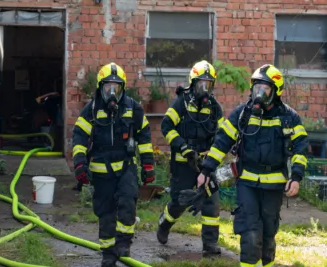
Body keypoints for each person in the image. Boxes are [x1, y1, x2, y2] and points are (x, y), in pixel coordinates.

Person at [197, 64, 309, 267]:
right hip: (247, 182)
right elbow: (222, 142)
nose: (260, 93)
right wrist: (206, 169)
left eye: (265, 89)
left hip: (274, 186)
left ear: (276, 92)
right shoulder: (242, 114)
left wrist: (296, 177)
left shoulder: (289, 118)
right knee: (250, 234)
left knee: (267, 237)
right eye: (257, 87)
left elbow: (301, 148)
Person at [72, 62, 155, 267]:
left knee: (128, 203)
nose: (111, 92)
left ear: (122, 89)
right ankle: (108, 253)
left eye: (115, 88)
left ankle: (124, 243)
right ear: (100, 87)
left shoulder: (133, 108)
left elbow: (144, 137)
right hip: (100, 169)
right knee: (106, 211)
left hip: (125, 166)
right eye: (107, 87)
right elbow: (79, 137)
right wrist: (80, 164)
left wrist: (148, 165)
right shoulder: (90, 110)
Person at [157, 60, 225, 256]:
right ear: (193, 83)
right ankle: (164, 223)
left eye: (208, 84)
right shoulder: (181, 103)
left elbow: (222, 135)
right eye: (201, 84)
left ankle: (210, 244)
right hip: (182, 163)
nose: (205, 89)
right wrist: (183, 147)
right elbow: (166, 126)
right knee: (180, 201)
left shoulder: (215, 108)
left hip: (206, 164)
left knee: (211, 202)